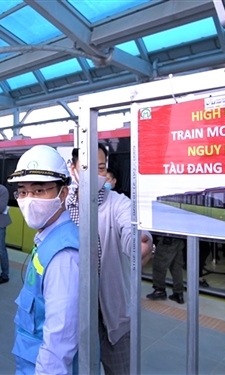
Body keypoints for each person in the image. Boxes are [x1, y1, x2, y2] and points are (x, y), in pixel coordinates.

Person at [66, 144, 154, 375]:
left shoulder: (118, 203)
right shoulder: (61, 205)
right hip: (72, 313)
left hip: (112, 317)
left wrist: (141, 244)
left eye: (101, 168)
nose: (95, 175)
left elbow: (132, 232)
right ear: (72, 168)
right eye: (86, 168)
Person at [8, 145, 79, 375]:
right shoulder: (49, 238)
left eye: (39, 191)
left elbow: (59, 341)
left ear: (63, 193)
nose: (29, 200)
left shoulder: (64, 256)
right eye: (22, 191)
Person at [147, 234, 185, 304]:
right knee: (176, 268)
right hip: (179, 238)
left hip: (167, 238)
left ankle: (159, 290)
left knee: (159, 265)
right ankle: (179, 293)